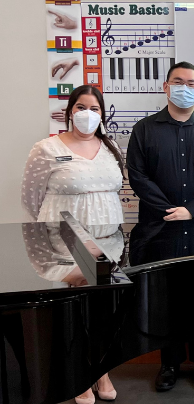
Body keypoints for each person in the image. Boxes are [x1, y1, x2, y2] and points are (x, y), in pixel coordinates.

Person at [126, 61, 194, 392]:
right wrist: (170, 210)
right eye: (178, 81)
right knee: (164, 300)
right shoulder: (144, 130)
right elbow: (138, 176)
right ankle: (168, 364)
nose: (184, 87)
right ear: (166, 86)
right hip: (160, 231)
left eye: (191, 83)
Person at [21, 84, 123, 403]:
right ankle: (79, 375)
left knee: (102, 309)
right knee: (75, 307)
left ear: (102, 114)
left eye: (95, 108)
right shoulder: (46, 148)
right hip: (65, 236)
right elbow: (31, 198)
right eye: (81, 107)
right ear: (69, 111)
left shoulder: (111, 148)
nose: (87, 114)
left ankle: (101, 370)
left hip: (107, 239)